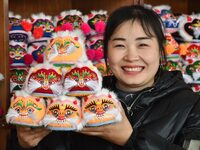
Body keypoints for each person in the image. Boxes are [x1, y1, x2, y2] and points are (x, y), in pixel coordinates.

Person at [8, 5, 200, 150]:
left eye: (143, 45)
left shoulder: (189, 104)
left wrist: (130, 139)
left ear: (160, 50)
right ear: (106, 52)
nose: (131, 56)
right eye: (119, 45)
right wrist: (23, 144)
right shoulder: (78, 98)